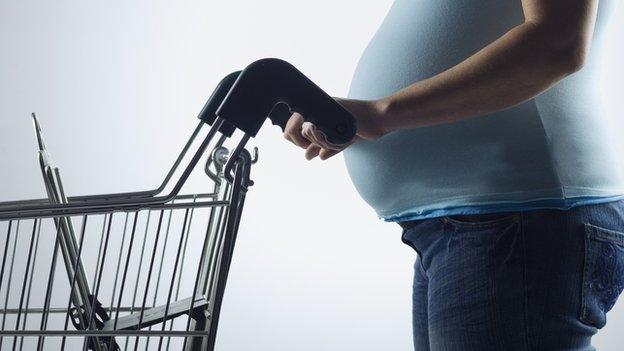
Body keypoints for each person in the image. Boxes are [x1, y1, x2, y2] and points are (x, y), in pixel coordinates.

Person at [283, 0, 624, 350]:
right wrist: (348, 118)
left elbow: (557, 43)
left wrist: (384, 113)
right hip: (480, 222)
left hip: (518, 218)